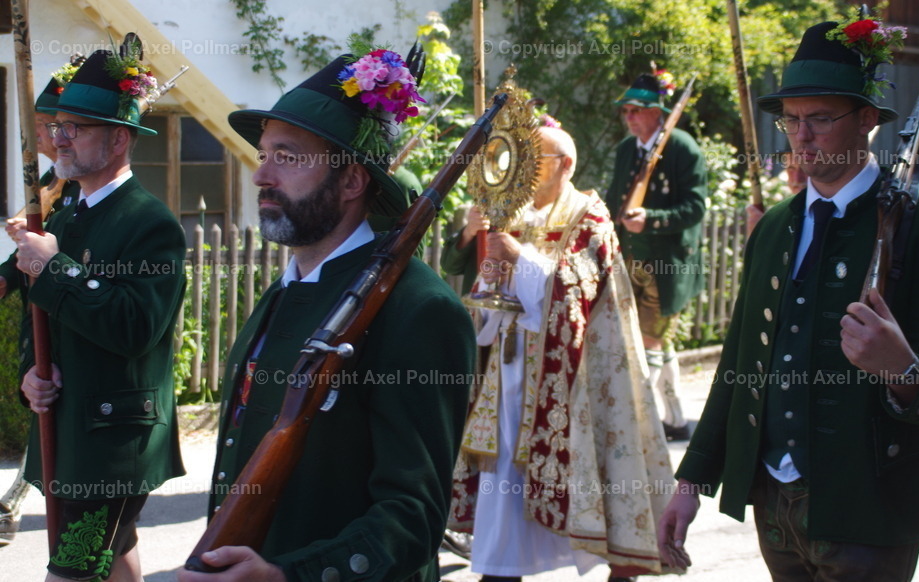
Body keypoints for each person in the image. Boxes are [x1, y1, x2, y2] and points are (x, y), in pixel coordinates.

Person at [657, 19, 919, 581]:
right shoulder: (774, 228)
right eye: (792, 120)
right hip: (774, 502)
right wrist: (692, 482)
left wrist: (901, 367)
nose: (800, 137)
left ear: (868, 120)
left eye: (821, 118)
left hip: (870, 507)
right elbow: (738, 363)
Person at [177, 51, 476, 582]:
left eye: (287, 157)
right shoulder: (286, 290)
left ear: (352, 181)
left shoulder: (420, 310)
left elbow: (414, 519)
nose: (261, 175)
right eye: (264, 153)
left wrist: (288, 576)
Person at [445, 116, 676, 582]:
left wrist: (518, 259)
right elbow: (487, 310)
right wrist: (490, 281)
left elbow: (576, 296)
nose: (521, 171)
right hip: (507, 383)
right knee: (502, 488)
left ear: (565, 164)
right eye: (519, 160)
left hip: (575, 384)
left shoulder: (589, 217)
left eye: (534, 161)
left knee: (594, 476)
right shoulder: (513, 216)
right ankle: (499, 570)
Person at [14, 45, 188, 581]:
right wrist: (31, 370)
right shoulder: (67, 216)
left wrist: (55, 270)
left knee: (72, 571)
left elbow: (134, 328)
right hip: (72, 428)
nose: (59, 138)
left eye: (77, 128)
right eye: (59, 125)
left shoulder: (150, 222)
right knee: (117, 553)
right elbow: (34, 310)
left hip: (113, 442)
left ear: (118, 138)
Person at [0, 66, 82, 546]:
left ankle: (13, 502)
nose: (38, 136)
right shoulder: (54, 181)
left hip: (64, 317)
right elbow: (26, 255)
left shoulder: (77, 186)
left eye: (44, 126)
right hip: (40, 316)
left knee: (51, 426)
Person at [605, 73, 708, 441]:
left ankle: (642, 426)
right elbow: (613, 199)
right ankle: (676, 419)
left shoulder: (682, 147)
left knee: (647, 342)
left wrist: (652, 219)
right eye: (626, 111)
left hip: (669, 266)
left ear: (657, 113)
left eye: (637, 110)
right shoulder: (624, 151)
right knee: (652, 342)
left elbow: (695, 208)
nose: (630, 117)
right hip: (631, 259)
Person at [745, 149, 808, 235]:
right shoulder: (785, 215)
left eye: (804, 168)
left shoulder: (824, 216)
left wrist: (765, 232)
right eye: (791, 168)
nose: (797, 179)